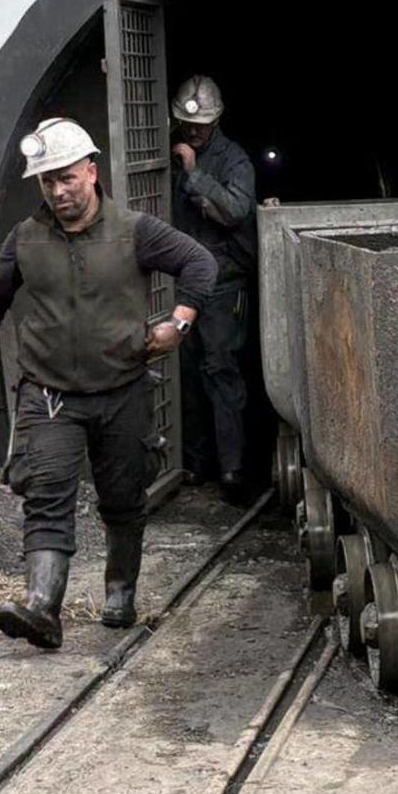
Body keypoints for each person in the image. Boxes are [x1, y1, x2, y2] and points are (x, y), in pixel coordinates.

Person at [0, 118, 216, 650]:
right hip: (49, 394)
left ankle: (120, 589)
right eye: (47, 182)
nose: (58, 191)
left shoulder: (134, 230)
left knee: (122, 496)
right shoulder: (25, 239)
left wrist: (179, 322)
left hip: (122, 389)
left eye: (67, 177)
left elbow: (199, 263)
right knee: (45, 495)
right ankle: (43, 606)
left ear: (92, 171)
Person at [169, 76, 258, 499]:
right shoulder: (168, 153)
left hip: (223, 282)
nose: (194, 130)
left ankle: (233, 469)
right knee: (184, 371)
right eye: (189, 123)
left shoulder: (233, 159)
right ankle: (193, 463)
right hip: (183, 282)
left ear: (217, 119)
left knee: (221, 370)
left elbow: (236, 210)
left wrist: (194, 174)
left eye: (202, 123)